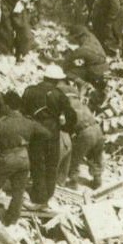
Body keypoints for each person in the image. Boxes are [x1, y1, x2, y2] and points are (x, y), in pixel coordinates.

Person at [0, 98, 49, 226]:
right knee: (18, 191)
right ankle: (11, 220)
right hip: (24, 158)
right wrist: (30, 144)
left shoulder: (2, 123)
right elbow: (46, 134)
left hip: (6, 157)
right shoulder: (29, 122)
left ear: (8, 106)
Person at [21, 65, 78, 205]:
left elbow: (22, 111)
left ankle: (38, 194)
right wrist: (65, 127)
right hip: (52, 132)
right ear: (57, 80)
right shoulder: (59, 94)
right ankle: (47, 195)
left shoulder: (30, 90)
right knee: (51, 164)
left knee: (37, 162)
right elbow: (71, 115)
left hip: (34, 131)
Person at [58, 79, 104, 188]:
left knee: (74, 156)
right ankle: (97, 178)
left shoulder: (66, 105)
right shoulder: (80, 103)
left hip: (85, 132)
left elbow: (65, 124)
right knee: (96, 155)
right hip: (98, 129)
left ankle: (72, 180)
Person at [64, 25, 109, 103]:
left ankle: (83, 83)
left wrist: (52, 59)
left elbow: (67, 61)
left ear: (78, 37)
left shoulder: (83, 49)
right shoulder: (91, 37)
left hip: (95, 71)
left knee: (67, 72)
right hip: (104, 66)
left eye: (75, 39)